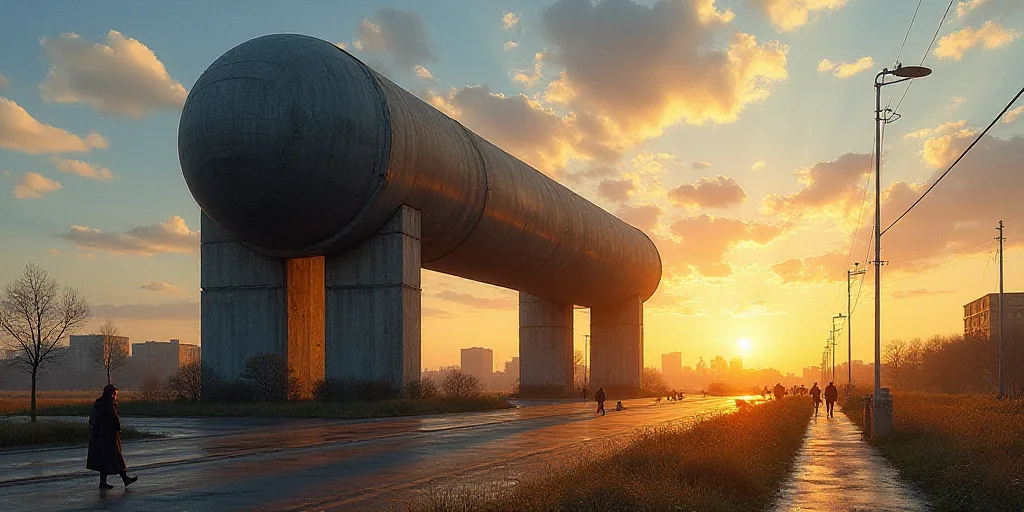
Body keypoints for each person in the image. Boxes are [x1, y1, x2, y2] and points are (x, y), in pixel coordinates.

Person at [87, 384, 138, 489]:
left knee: (103, 458)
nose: (115, 396)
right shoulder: (109, 404)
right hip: (109, 435)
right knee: (116, 456)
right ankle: (124, 479)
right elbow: (114, 418)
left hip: (98, 435)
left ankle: (104, 482)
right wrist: (118, 428)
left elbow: (92, 419)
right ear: (111, 394)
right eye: (115, 394)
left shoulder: (98, 403)